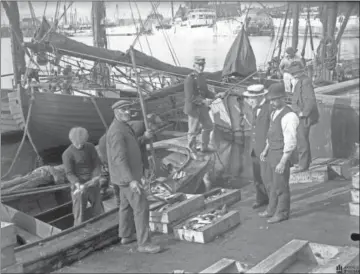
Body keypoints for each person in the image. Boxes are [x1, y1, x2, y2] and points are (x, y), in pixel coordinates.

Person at [106, 100, 161, 254]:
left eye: (129, 109)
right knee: (141, 207)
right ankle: (144, 243)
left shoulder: (123, 126)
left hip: (122, 177)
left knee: (125, 206)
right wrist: (131, 181)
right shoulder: (117, 131)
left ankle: (125, 235)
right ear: (116, 112)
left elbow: (133, 144)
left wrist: (144, 137)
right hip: (127, 177)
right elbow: (119, 159)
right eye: (124, 109)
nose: (128, 112)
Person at [259, 83, 299, 224]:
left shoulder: (289, 116)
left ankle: (282, 212)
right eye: (271, 100)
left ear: (283, 98)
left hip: (281, 154)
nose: (272, 102)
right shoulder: (273, 113)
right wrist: (265, 150)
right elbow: (271, 134)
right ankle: (271, 209)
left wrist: (283, 161)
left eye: (275, 99)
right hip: (271, 153)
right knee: (272, 184)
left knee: (281, 186)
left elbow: (291, 142)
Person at [62, 127, 105, 226]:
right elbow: (69, 173)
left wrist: (95, 177)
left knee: (99, 209)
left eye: (82, 143)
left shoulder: (90, 147)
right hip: (79, 187)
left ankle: (103, 224)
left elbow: (96, 163)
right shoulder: (67, 154)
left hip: (93, 183)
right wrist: (77, 184)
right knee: (79, 213)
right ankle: (78, 229)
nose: (80, 145)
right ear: (72, 141)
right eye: (78, 143)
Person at [184, 56, 225, 156]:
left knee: (209, 126)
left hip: (202, 107)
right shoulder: (190, 79)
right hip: (193, 108)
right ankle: (192, 151)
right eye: (199, 65)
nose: (201, 67)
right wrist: (203, 101)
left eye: (202, 65)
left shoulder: (202, 77)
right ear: (194, 65)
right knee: (192, 131)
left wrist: (216, 95)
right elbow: (190, 98)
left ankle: (204, 147)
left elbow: (205, 92)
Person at [286, 61, 319, 173]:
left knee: (301, 140)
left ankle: (303, 165)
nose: (293, 75)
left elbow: (310, 100)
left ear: (300, 72)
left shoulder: (305, 82)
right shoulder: (301, 81)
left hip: (304, 117)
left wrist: (303, 113)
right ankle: (305, 162)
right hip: (300, 115)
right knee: (302, 139)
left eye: (295, 73)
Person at [243, 84, 271, 209]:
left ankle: (273, 201)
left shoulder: (269, 108)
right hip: (255, 149)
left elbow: (272, 130)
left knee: (268, 177)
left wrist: (267, 148)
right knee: (257, 176)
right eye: (248, 98)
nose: (249, 101)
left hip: (265, 148)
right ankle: (261, 198)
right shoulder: (255, 108)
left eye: (251, 99)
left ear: (260, 97)